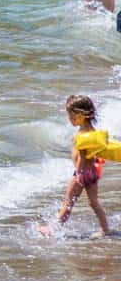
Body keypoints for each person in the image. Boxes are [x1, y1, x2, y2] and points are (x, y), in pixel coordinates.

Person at [38, 96, 110, 237]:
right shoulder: (93, 132)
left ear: (80, 115)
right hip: (93, 172)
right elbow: (95, 155)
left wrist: (79, 174)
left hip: (82, 173)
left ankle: (53, 229)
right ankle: (105, 229)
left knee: (68, 202)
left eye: (70, 115)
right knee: (93, 203)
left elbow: (83, 157)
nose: (69, 119)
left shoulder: (83, 135)